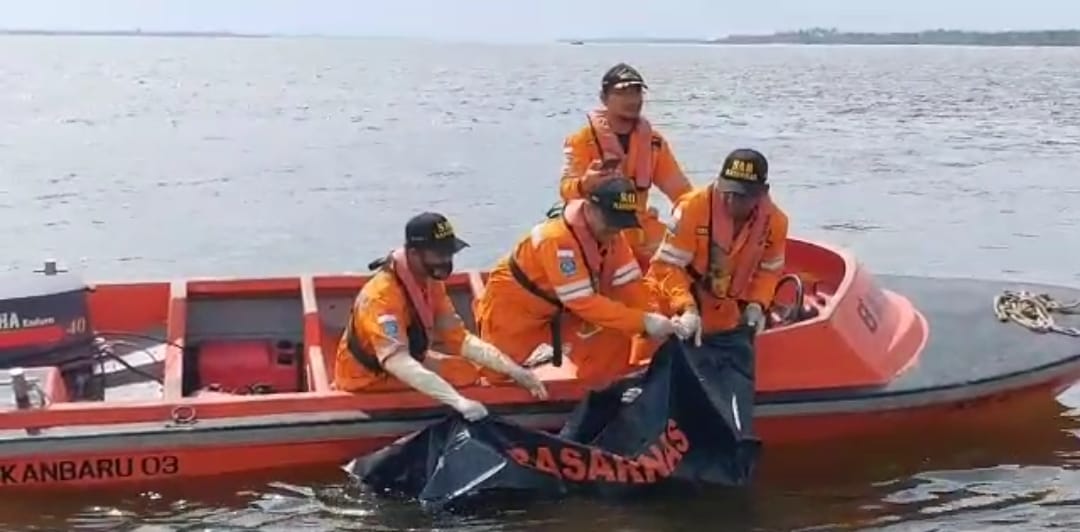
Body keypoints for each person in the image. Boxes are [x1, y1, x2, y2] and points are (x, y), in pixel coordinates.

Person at [333, 212, 548, 421]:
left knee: (465, 374)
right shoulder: (381, 297)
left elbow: (459, 338)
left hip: (410, 355)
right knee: (459, 384)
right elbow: (397, 361)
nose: (446, 260)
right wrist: (458, 401)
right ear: (415, 254)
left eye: (449, 254)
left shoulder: (431, 282)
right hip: (367, 376)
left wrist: (514, 370)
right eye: (439, 254)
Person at [474, 177, 678, 387]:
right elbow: (583, 302)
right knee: (495, 376)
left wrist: (655, 318)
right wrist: (643, 321)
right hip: (515, 311)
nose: (614, 231)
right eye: (610, 222)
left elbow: (632, 286)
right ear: (590, 208)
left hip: (563, 312)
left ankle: (596, 394)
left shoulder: (614, 238)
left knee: (614, 338)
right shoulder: (556, 240)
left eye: (620, 224)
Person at [645, 148, 789, 348]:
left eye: (741, 196)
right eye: (728, 191)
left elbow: (769, 271)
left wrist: (757, 304)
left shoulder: (776, 222)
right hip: (667, 304)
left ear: (762, 193)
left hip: (723, 312)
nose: (731, 201)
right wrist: (686, 308)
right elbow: (666, 266)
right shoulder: (691, 209)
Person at [558, 62, 693, 268]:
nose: (632, 100)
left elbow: (681, 192)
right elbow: (566, 190)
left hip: (639, 224)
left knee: (683, 255)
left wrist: (701, 214)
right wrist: (585, 184)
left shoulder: (654, 142)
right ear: (604, 98)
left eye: (637, 92)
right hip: (596, 225)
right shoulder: (581, 140)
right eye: (622, 93)